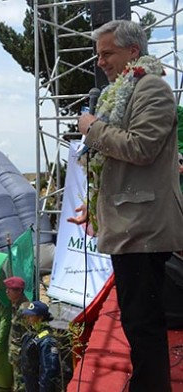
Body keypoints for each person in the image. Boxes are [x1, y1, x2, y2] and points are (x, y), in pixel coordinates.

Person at [73, 20, 183, 392]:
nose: (100, 61)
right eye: (98, 54)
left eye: (108, 53)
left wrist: (92, 129)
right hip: (130, 225)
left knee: (144, 322)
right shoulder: (121, 92)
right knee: (137, 320)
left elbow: (140, 147)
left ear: (133, 52)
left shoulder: (152, 88)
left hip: (144, 227)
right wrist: (94, 208)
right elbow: (119, 169)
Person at [19, 301, 63, 392]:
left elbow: (48, 371)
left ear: (41, 318)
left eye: (31, 316)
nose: (28, 318)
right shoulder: (31, 334)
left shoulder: (47, 340)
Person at [5, 276, 29, 392]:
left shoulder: (24, 309)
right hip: (16, 354)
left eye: (10, 289)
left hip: (21, 355)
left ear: (19, 291)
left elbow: (28, 335)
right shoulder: (16, 306)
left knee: (21, 385)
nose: (7, 292)